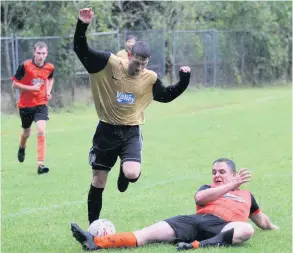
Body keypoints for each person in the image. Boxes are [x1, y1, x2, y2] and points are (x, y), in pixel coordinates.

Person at [73, 7, 191, 225]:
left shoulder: (149, 78)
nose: (139, 67)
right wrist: (82, 24)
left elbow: (166, 96)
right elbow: (81, 49)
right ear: (129, 56)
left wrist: (184, 80)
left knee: (132, 173)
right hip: (106, 130)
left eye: (144, 64)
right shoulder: (109, 63)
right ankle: (93, 228)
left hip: (130, 132)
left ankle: (124, 172)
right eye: (137, 62)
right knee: (98, 181)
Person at [70, 158, 279, 251]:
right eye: (214, 172)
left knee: (246, 229)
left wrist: (271, 227)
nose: (216, 175)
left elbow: (262, 220)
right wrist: (230, 185)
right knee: (146, 234)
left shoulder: (246, 195)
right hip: (195, 221)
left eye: (221, 172)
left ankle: (197, 246)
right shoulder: (206, 188)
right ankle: (96, 242)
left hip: (222, 227)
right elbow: (200, 199)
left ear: (233, 174)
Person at [12, 41, 55, 174]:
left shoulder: (49, 67)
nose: (41, 56)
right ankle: (22, 147)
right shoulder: (25, 66)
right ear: (34, 53)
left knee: (41, 130)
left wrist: (48, 91)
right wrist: (30, 88)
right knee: (26, 133)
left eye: (43, 53)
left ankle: (40, 164)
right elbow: (14, 84)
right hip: (25, 105)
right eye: (38, 53)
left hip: (41, 104)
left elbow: (50, 78)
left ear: (46, 54)